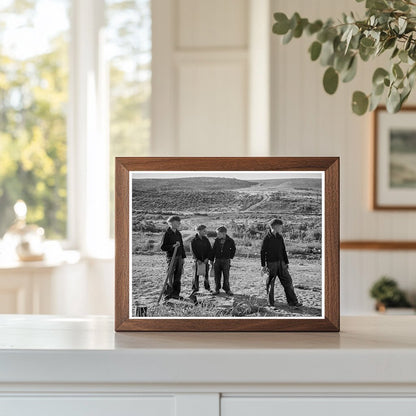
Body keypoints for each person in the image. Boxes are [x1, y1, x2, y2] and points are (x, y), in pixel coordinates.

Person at [260, 218, 302, 308]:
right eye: (280, 226)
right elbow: (262, 252)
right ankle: (270, 303)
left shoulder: (280, 237)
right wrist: (263, 265)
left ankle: (293, 302)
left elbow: (283, 250)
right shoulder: (267, 238)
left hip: (281, 263)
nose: (281, 228)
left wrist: (286, 262)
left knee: (288, 281)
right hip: (271, 264)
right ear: (275, 227)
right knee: (270, 283)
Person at [160, 215, 186, 301]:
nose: (178, 224)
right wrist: (173, 246)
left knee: (178, 276)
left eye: (179, 222)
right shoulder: (167, 234)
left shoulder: (179, 233)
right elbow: (163, 247)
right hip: (171, 257)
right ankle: (168, 294)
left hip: (179, 257)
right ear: (170, 223)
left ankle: (176, 294)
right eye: (176, 222)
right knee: (170, 276)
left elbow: (181, 246)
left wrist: (183, 258)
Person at [210, 226, 236, 296]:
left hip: (226, 260)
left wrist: (230, 257)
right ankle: (217, 289)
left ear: (224, 233)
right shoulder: (216, 240)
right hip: (217, 260)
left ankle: (227, 289)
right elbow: (213, 250)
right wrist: (211, 260)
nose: (217, 235)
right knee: (217, 276)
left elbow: (233, 249)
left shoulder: (230, 240)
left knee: (226, 275)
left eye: (218, 234)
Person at [190, 224, 212, 297]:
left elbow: (209, 249)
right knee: (195, 275)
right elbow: (192, 251)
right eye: (204, 230)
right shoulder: (193, 240)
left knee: (206, 275)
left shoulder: (206, 239)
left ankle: (207, 287)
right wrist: (197, 259)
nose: (205, 232)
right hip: (197, 261)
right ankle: (195, 289)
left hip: (205, 260)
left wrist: (207, 258)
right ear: (199, 231)